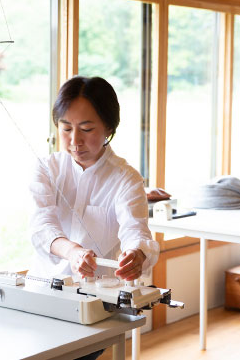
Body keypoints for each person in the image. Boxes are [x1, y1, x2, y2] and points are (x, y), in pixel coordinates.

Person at [29, 76, 159, 284]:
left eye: (86, 129)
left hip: (99, 293)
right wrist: (72, 252)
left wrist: (136, 254)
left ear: (109, 128)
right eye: (66, 128)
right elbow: (41, 226)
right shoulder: (47, 168)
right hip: (43, 284)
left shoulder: (127, 179)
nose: (75, 141)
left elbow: (135, 230)